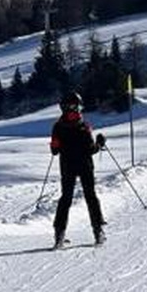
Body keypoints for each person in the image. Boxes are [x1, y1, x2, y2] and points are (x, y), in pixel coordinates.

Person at [50, 91, 106, 246]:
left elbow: (54, 151)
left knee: (65, 199)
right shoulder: (84, 125)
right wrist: (100, 144)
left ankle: (59, 235)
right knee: (90, 196)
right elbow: (90, 149)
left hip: (67, 166)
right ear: (77, 107)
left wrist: (58, 144)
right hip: (85, 166)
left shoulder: (57, 126)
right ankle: (98, 232)